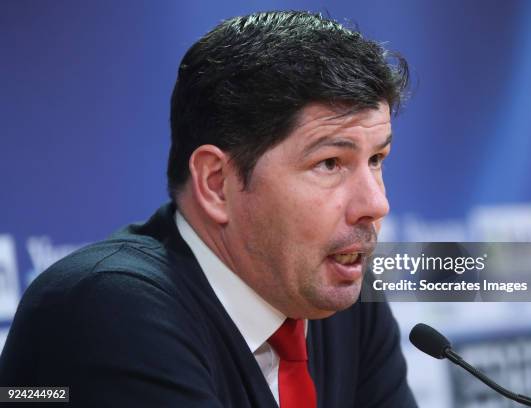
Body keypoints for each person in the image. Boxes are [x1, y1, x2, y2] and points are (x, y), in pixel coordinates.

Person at [0, 10, 418, 407]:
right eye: (329, 163)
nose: (376, 203)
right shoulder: (107, 307)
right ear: (216, 183)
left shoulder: (338, 297)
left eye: (376, 160)